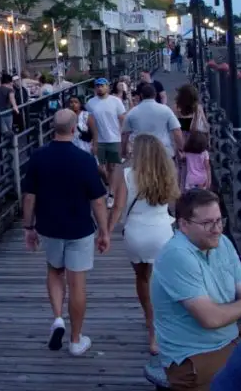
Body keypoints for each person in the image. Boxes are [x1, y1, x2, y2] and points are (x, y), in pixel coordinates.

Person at [150, 189, 241, 391]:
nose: (217, 229)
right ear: (183, 225)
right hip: (195, 357)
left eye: (219, 220)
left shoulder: (221, 243)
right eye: (207, 223)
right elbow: (210, 319)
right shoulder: (177, 255)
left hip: (231, 341)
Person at [22, 109, 110, 356]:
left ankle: (58, 318)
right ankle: (75, 339)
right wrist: (104, 231)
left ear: (53, 128)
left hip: (49, 227)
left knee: (54, 271)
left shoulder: (38, 157)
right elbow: (98, 200)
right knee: (77, 283)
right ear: (74, 129)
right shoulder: (84, 160)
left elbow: (29, 197)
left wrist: (29, 227)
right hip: (79, 228)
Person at [110, 134, 177, 355]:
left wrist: (106, 232)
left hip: (136, 233)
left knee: (142, 278)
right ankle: (165, 328)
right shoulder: (167, 173)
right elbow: (174, 203)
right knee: (163, 282)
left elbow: (118, 206)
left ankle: (151, 326)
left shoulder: (127, 175)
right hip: (162, 232)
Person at [123, 83, 185, 163]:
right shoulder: (165, 110)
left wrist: (123, 151)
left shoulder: (132, 112)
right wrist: (181, 148)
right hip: (163, 152)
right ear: (155, 94)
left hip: (141, 154)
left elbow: (125, 134)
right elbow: (177, 131)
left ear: (141, 95)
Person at [85, 77, 126, 194]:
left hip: (114, 139)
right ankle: (107, 182)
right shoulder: (90, 103)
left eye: (102, 85)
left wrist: (122, 134)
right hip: (98, 140)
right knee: (99, 167)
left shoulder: (116, 101)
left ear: (107, 87)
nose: (100, 88)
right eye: (97, 86)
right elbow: (87, 121)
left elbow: (123, 118)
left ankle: (111, 193)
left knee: (111, 167)